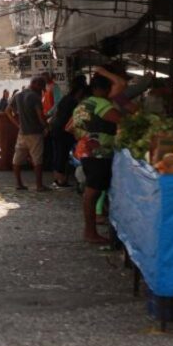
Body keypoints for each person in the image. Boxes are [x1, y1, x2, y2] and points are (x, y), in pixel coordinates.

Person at [72, 73, 124, 244]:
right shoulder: (100, 103)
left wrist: (85, 137)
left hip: (86, 151)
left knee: (92, 191)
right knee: (93, 191)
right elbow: (121, 120)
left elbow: (72, 127)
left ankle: (91, 229)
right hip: (99, 153)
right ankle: (90, 231)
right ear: (104, 89)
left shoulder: (82, 105)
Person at [8, 76, 49, 192]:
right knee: (37, 160)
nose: (42, 90)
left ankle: (18, 183)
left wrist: (18, 125)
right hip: (35, 132)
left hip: (22, 132)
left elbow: (7, 111)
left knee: (17, 159)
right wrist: (46, 126)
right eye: (41, 86)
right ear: (35, 84)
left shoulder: (18, 95)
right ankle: (39, 185)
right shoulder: (34, 97)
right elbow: (40, 116)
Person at [50, 75, 87, 189]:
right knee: (63, 154)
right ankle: (61, 180)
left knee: (58, 153)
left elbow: (56, 112)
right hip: (63, 130)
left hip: (56, 127)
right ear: (80, 90)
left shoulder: (66, 98)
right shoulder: (74, 101)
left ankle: (57, 178)